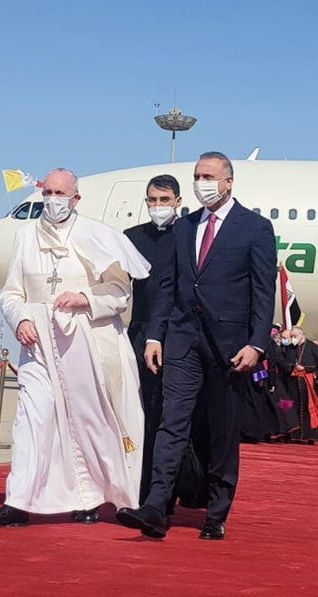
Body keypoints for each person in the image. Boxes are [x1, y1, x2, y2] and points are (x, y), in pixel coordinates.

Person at [0, 168, 151, 528]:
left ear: (76, 198)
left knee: (92, 421)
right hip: (39, 345)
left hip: (87, 342)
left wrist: (85, 298)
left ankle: (98, 499)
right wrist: (21, 318)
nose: (53, 200)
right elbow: (11, 292)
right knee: (32, 421)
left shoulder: (98, 236)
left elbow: (120, 293)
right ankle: (18, 502)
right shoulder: (26, 237)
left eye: (60, 193)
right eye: (49, 193)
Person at [117, 151, 276, 541]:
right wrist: (155, 335)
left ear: (228, 181)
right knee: (171, 424)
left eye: (208, 176)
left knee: (222, 432)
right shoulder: (185, 227)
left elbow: (263, 291)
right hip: (184, 340)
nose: (201, 182)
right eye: (196, 176)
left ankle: (216, 512)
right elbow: (168, 286)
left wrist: (257, 343)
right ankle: (156, 507)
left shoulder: (254, 228)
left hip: (230, 348)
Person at [124, 174, 183, 504]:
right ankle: (137, 488)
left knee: (169, 419)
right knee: (139, 414)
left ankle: (165, 493)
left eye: (164, 200)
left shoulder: (188, 235)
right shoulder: (131, 237)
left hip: (177, 337)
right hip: (140, 334)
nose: (157, 206)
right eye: (152, 200)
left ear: (177, 200)